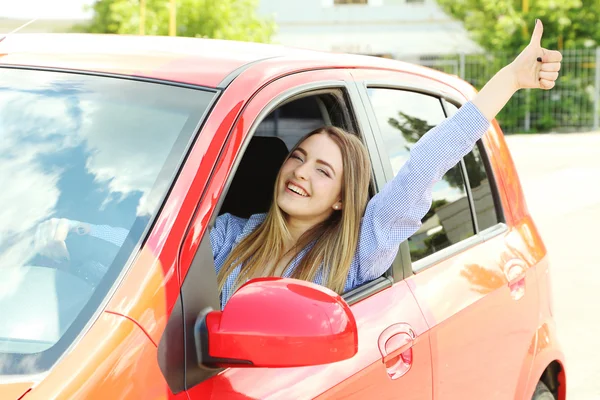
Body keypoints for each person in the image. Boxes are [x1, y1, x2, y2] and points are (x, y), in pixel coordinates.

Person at [35, 20, 562, 308]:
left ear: (341, 199)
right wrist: (63, 232)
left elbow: (426, 163)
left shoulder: (362, 247)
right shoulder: (231, 235)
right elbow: (152, 253)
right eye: (299, 157)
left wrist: (509, 83)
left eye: (324, 171)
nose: (301, 173)